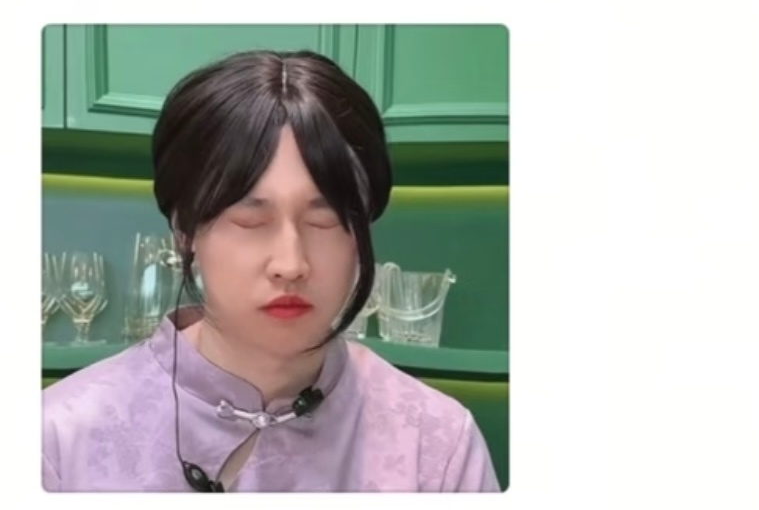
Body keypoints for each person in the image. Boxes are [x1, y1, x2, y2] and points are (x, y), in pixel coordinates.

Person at [41, 50, 501, 492]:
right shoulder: (57, 440)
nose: (291, 265)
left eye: (324, 219)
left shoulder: (436, 444)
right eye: (250, 220)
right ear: (185, 231)